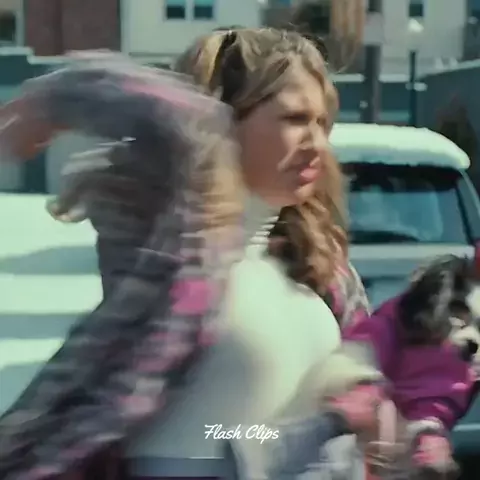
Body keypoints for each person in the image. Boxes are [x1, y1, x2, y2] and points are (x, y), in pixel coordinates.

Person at [0, 30, 378, 480]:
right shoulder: (178, 250)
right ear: (223, 124)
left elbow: (376, 370)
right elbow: (173, 114)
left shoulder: (323, 271)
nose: (316, 143)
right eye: (295, 118)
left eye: (323, 123)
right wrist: (56, 97)